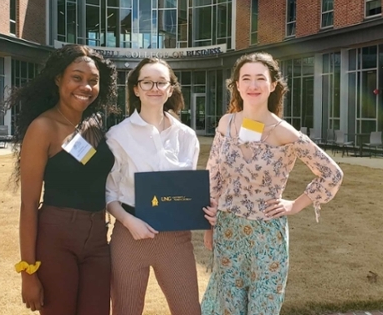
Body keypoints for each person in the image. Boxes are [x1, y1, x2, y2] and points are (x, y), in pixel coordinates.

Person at [201, 52, 344, 315]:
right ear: (237, 85)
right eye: (246, 78)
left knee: (262, 308)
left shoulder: (284, 132)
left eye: (260, 78)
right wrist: (208, 226)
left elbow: (331, 173)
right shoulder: (226, 123)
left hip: (267, 236)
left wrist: (296, 205)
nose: (252, 85)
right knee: (225, 308)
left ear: (273, 85)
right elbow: (214, 176)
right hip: (227, 231)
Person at [7, 44, 117, 315]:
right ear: (59, 79)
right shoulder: (43, 128)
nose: (86, 86)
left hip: (97, 242)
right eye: (76, 78)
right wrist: (28, 272)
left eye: (93, 81)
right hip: (56, 240)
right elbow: (29, 205)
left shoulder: (94, 126)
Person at [105, 57, 217, 315]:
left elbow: (187, 190)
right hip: (129, 235)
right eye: (147, 82)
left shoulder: (186, 137)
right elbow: (109, 194)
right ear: (136, 89)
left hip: (175, 239)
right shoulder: (117, 136)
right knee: (126, 310)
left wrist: (205, 207)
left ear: (170, 89)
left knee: (188, 310)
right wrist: (128, 222)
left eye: (161, 82)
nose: (154, 88)